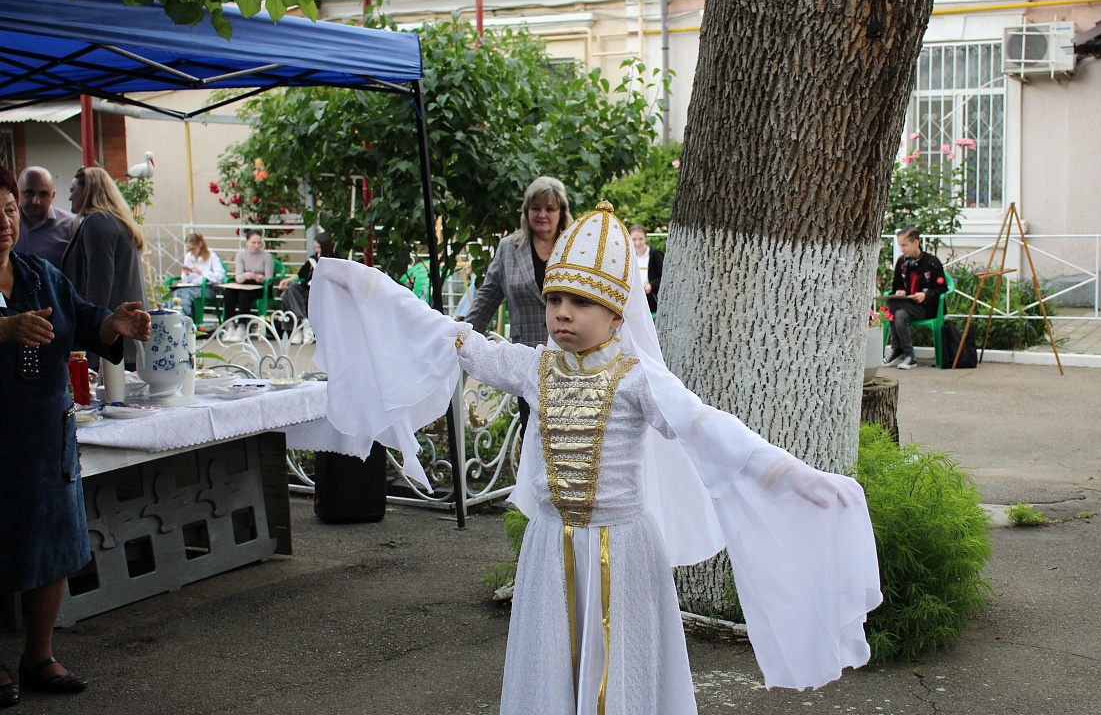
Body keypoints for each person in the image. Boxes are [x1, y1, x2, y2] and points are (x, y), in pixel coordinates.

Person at [310, 202, 882, 714]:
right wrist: (370, 287)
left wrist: (790, 474)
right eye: (554, 300)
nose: (562, 313)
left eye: (581, 302)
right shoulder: (534, 368)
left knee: (621, 665)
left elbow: (706, 428)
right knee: (552, 660)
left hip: (624, 549)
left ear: (616, 317)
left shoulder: (636, 380)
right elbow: (457, 339)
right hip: (549, 547)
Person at [0, 165, 152, 708]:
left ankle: (39, 655)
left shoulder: (39, 274)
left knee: (55, 542)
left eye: (9, 210)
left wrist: (114, 323)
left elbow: (85, 318)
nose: (5, 222)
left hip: (46, 436)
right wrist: (4, 329)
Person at [465, 176, 572, 432]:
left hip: (572, 354)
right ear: (526, 211)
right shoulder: (508, 248)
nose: (542, 214)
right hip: (527, 360)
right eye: (535, 208)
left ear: (561, 211)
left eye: (549, 208)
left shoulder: (575, 247)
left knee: (570, 432)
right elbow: (487, 297)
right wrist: (462, 335)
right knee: (531, 432)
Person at [60, 167, 147, 368]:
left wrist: (91, 344)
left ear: (88, 190)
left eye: (73, 190)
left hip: (110, 345)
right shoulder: (115, 220)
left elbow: (99, 284)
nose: (70, 197)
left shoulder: (98, 222)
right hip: (123, 341)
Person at [883, 225, 946, 370]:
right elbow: (897, 285)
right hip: (907, 306)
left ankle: (897, 348)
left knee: (891, 303)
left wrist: (925, 295)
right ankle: (909, 356)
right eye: (900, 245)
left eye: (904, 245)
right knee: (899, 314)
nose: (902, 249)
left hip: (926, 308)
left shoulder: (932, 263)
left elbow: (942, 289)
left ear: (916, 243)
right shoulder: (901, 262)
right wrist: (900, 291)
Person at [275, 230, 334, 345]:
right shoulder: (312, 260)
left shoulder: (334, 260)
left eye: (319, 248)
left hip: (321, 292)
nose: (317, 250)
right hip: (307, 291)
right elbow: (299, 275)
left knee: (286, 295)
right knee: (290, 288)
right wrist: (287, 280)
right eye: (315, 247)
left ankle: (296, 328)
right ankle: (304, 321)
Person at [13, 167, 75, 267]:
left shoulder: (70, 226)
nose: (36, 201)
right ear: (17, 192)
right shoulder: (6, 223)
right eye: (29, 193)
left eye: (43, 194)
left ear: (53, 196)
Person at [225, 229, 277, 343]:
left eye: (259, 243)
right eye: (253, 243)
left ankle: (242, 326)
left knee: (244, 295)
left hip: (260, 287)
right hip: (244, 283)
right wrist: (245, 275)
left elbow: (269, 279)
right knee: (229, 292)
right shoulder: (241, 255)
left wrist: (260, 278)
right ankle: (230, 325)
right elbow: (238, 277)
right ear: (247, 242)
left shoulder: (266, 256)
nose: (256, 246)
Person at [172, 232, 225, 321]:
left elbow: (220, 276)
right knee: (175, 295)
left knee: (182, 294)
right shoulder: (189, 257)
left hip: (207, 288)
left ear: (200, 244)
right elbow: (185, 281)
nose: (191, 252)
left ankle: (184, 322)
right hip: (190, 287)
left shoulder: (211, 256)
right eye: (189, 249)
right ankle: (178, 320)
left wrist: (202, 273)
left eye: (193, 249)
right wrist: (186, 273)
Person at [628, 224, 664, 314]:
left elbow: (665, 277)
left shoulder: (655, 255)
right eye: (634, 239)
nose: (637, 243)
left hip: (650, 298)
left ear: (645, 238)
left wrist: (651, 285)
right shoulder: (628, 256)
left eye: (641, 239)